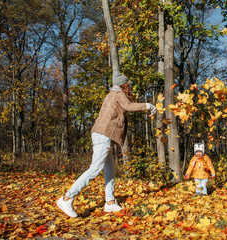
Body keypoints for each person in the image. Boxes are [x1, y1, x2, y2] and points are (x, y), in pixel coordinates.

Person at [57, 74, 156, 218]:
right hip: (103, 134)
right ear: (123, 85)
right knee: (95, 168)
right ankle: (66, 198)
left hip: (101, 133)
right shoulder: (118, 94)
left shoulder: (111, 94)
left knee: (110, 168)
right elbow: (129, 106)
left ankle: (110, 203)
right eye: (128, 83)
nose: (130, 86)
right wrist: (148, 105)